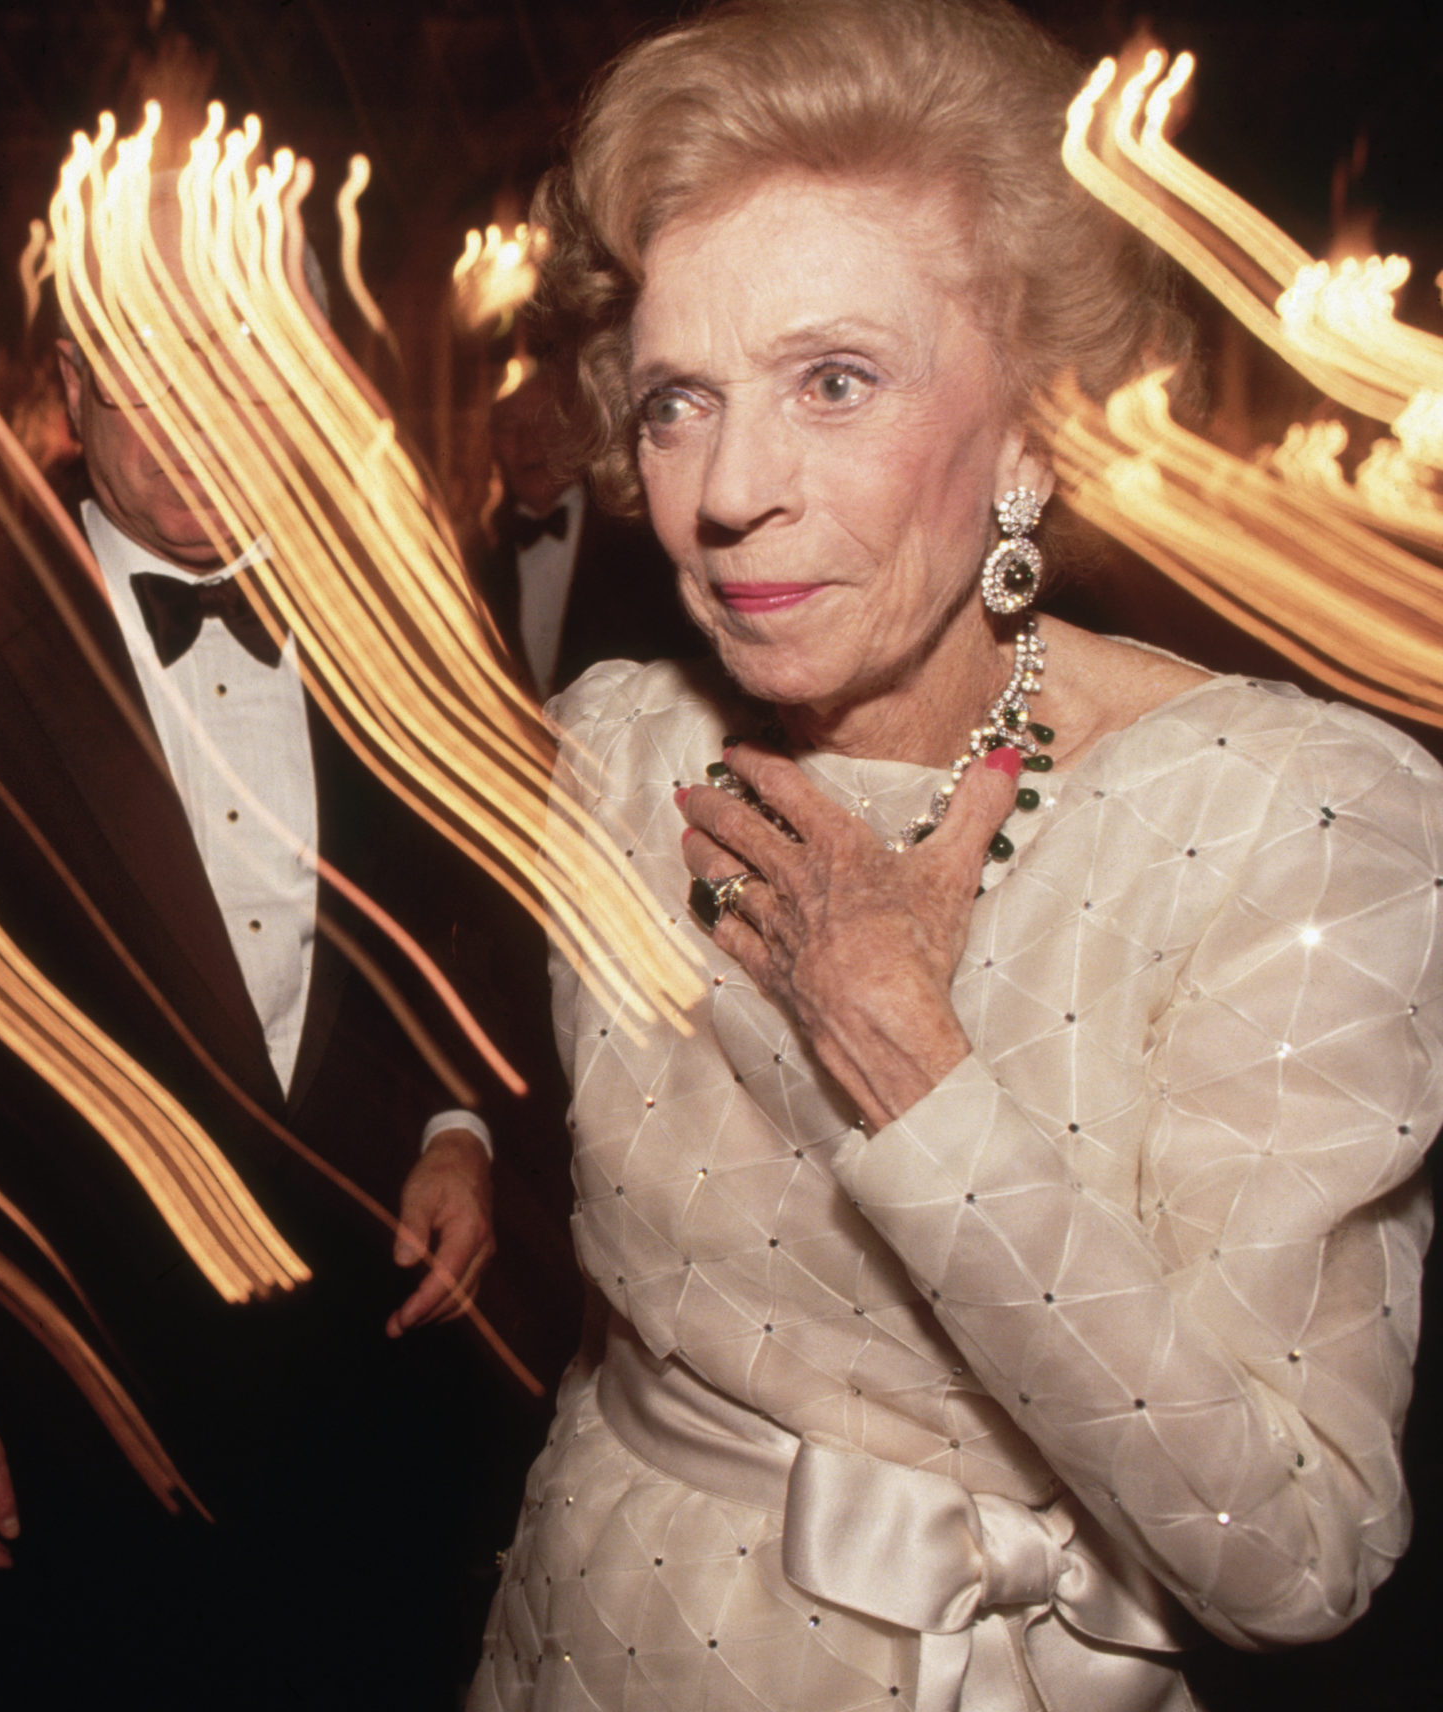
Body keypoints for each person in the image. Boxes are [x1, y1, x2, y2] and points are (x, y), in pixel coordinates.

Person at [469, 4, 1440, 1710]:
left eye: (834, 381)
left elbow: (1298, 1553)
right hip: (599, 1627)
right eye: (680, 401)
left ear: (1033, 430)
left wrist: (912, 1063)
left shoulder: (1287, 823)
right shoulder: (618, 745)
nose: (728, 487)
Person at [0, 231, 551, 1706]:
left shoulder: (398, 613)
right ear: (73, 390)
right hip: (85, 1372)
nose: (191, 434)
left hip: (386, 1345)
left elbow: (474, 914)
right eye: (145, 388)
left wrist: (460, 1130)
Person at [473, 362, 698, 698]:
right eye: (508, 426)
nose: (527, 442)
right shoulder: (477, 560)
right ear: (490, 442)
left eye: (543, 420)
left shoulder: (644, 543)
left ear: (574, 430)